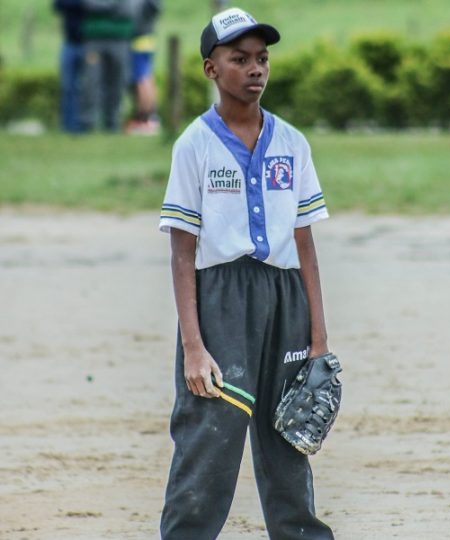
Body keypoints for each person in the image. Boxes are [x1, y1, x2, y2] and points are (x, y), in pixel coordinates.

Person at [158, 7, 335, 540]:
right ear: (211, 69)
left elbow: (305, 244)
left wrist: (319, 340)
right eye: (239, 59)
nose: (255, 69)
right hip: (221, 299)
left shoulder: (292, 143)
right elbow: (183, 250)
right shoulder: (194, 144)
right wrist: (194, 345)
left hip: (286, 297)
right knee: (210, 434)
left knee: (290, 431)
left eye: (262, 58)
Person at [79, 0, 135, 131]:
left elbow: (129, 7)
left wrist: (103, 6)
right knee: (91, 81)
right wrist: (114, 5)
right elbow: (88, 4)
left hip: (121, 37)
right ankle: (88, 123)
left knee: (118, 81)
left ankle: (113, 123)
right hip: (94, 38)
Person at [125, 0, 162, 135]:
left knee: (142, 80)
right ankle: (151, 117)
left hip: (138, 39)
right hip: (147, 37)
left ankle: (145, 119)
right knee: (147, 77)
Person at [53, 0, 85, 133]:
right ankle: (68, 125)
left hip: (89, 42)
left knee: (86, 87)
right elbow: (58, 5)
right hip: (70, 42)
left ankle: (83, 123)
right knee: (68, 86)